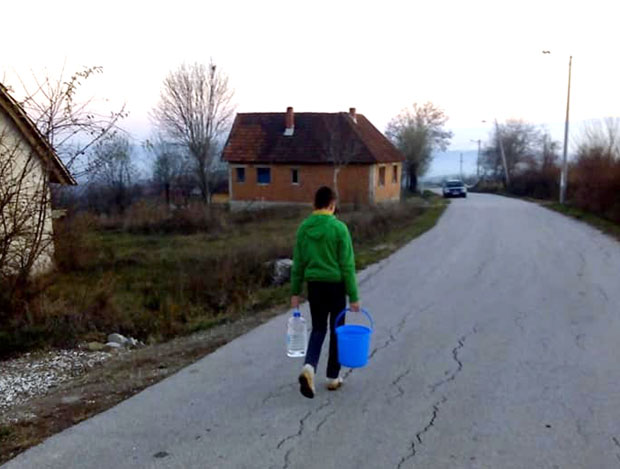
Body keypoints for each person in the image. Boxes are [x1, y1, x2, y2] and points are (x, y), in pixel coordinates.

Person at [290, 186, 360, 399]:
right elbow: (347, 265)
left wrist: (295, 292)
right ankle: (332, 377)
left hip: (315, 286)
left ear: (314, 204)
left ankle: (309, 367)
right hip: (336, 287)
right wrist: (353, 296)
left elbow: (298, 263)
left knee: (318, 328)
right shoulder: (339, 229)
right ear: (332, 204)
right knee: (337, 329)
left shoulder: (304, 228)